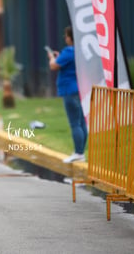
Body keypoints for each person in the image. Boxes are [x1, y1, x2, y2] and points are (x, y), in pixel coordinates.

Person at [47, 26, 88, 163]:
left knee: (75, 123)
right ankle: (80, 151)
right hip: (80, 89)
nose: (65, 38)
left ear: (71, 38)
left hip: (69, 91)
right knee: (81, 122)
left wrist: (51, 58)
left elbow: (53, 66)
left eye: (66, 36)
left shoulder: (69, 51)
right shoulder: (80, 51)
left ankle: (78, 153)